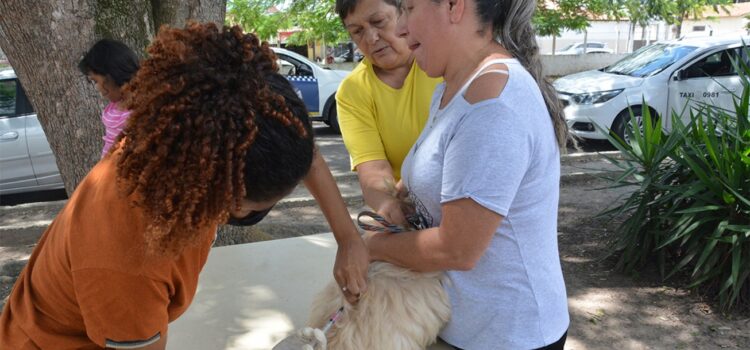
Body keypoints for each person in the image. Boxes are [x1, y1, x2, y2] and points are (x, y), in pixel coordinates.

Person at [0, 23, 316, 350]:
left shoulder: (177, 140)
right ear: (212, 189)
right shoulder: (131, 262)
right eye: (251, 210)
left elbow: (287, 145)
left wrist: (347, 238)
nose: (257, 214)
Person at [363, 0, 570, 349]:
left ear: (454, 6)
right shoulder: (451, 88)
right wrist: (399, 202)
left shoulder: (493, 104)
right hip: (465, 326)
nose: (401, 28)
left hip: (509, 336)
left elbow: (457, 249)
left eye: (410, 9)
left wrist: (370, 247)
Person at [334, 0, 442, 229]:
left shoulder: (442, 60)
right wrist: (390, 207)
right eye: (357, 31)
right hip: (410, 212)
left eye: (379, 22)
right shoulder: (353, 91)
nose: (371, 38)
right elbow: (374, 172)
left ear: (405, 12)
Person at [78, 39, 140, 158]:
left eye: (95, 81)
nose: (97, 88)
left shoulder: (140, 112)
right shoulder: (114, 108)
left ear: (111, 75)